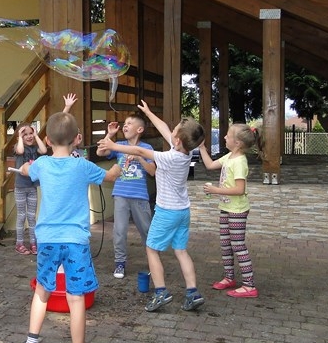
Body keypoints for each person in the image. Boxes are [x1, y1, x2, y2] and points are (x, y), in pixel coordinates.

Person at [15, 111, 120, 343]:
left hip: (47, 239)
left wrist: (26, 167)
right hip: (75, 242)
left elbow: (26, 170)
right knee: (76, 298)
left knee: (42, 291)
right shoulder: (82, 166)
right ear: (77, 140)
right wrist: (124, 160)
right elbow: (110, 176)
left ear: (48, 140)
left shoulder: (41, 164)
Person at [97, 100, 206, 313]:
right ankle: (193, 292)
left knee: (151, 249)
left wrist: (113, 146)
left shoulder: (168, 157)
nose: (170, 131)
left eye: (174, 130)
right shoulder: (185, 152)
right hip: (183, 211)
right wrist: (148, 112)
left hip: (167, 212)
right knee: (181, 251)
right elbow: (164, 127)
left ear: (177, 140)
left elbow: (139, 150)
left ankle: (160, 292)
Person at [198, 123, 261, 298]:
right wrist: (201, 147)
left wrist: (216, 190)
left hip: (237, 210)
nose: (224, 137)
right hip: (226, 208)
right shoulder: (230, 156)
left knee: (238, 245)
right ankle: (229, 278)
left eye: (228, 135)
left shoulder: (240, 161)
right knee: (226, 244)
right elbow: (210, 165)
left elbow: (240, 189)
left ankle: (249, 285)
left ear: (238, 143)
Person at [95, 112, 156, 279]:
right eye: (125, 123)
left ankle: (154, 262)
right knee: (119, 231)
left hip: (140, 196)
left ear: (139, 129)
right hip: (120, 194)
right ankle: (119, 263)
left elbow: (152, 171)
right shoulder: (119, 145)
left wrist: (140, 157)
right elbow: (100, 152)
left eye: (129, 123)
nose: (125, 125)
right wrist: (109, 135)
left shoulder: (147, 148)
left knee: (146, 231)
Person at [12, 121, 47, 255]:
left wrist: (37, 136)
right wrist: (19, 137)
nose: (29, 136)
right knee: (21, 216)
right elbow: (20, 150)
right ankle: (19, 243)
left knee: (32, 217)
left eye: (30, 133)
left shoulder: (35, 148)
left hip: (32, 187)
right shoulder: (18, 147)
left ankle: (33, 243)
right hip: (20, 187)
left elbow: (44, 150)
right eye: (25, 134)